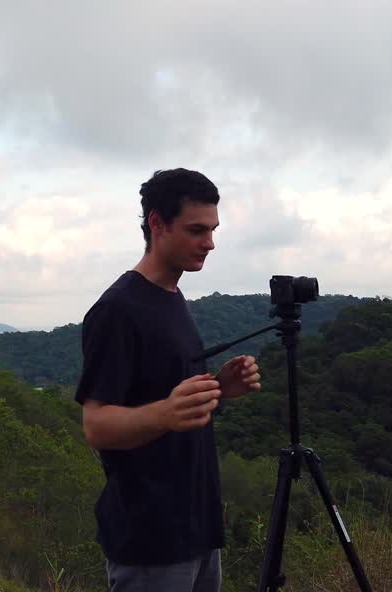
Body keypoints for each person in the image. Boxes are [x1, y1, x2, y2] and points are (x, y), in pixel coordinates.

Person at [74, 168, 263, 592]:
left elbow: (169, 398)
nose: (210, 243)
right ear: (157, 223)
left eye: (213, 230)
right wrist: (165, 412)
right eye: (196, 230)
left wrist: (219, 389)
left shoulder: (174, 298)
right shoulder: (117, 310)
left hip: (197, 528)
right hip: (150, 541)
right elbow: (96, 425)